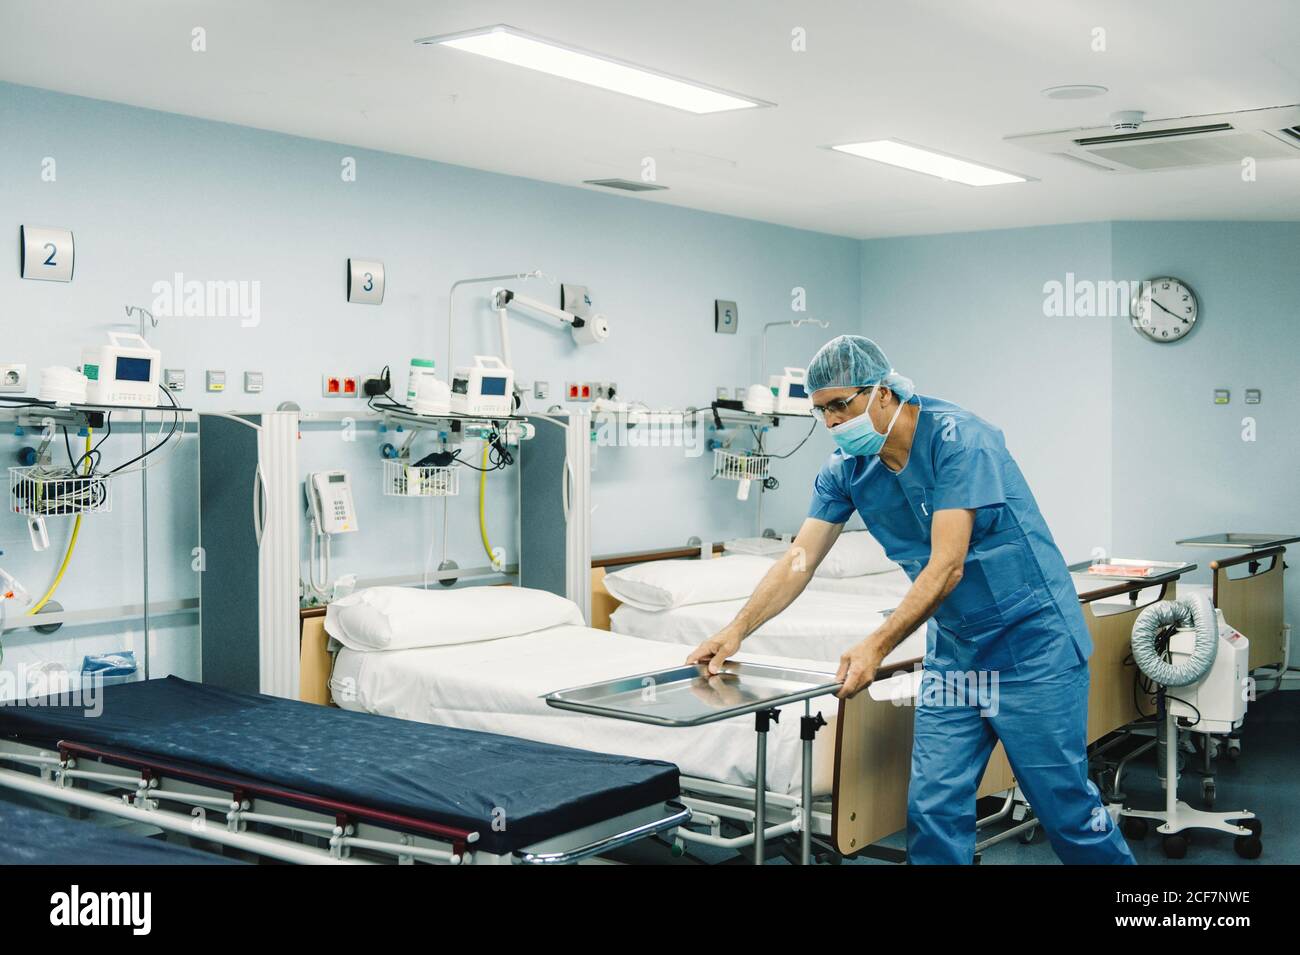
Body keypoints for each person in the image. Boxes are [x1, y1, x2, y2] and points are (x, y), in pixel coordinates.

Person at [687, 335, 1134, 865]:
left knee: (1065, 808)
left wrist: (876, 644)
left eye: (839, 405)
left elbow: (947, 565)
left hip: (1033, 647)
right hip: (957, 654)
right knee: (934, 806)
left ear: (881, 392)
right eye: (820, 411)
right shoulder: (846, 471)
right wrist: (738, 627)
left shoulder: (959, 440)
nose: (830, 422)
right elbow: (798, 560)